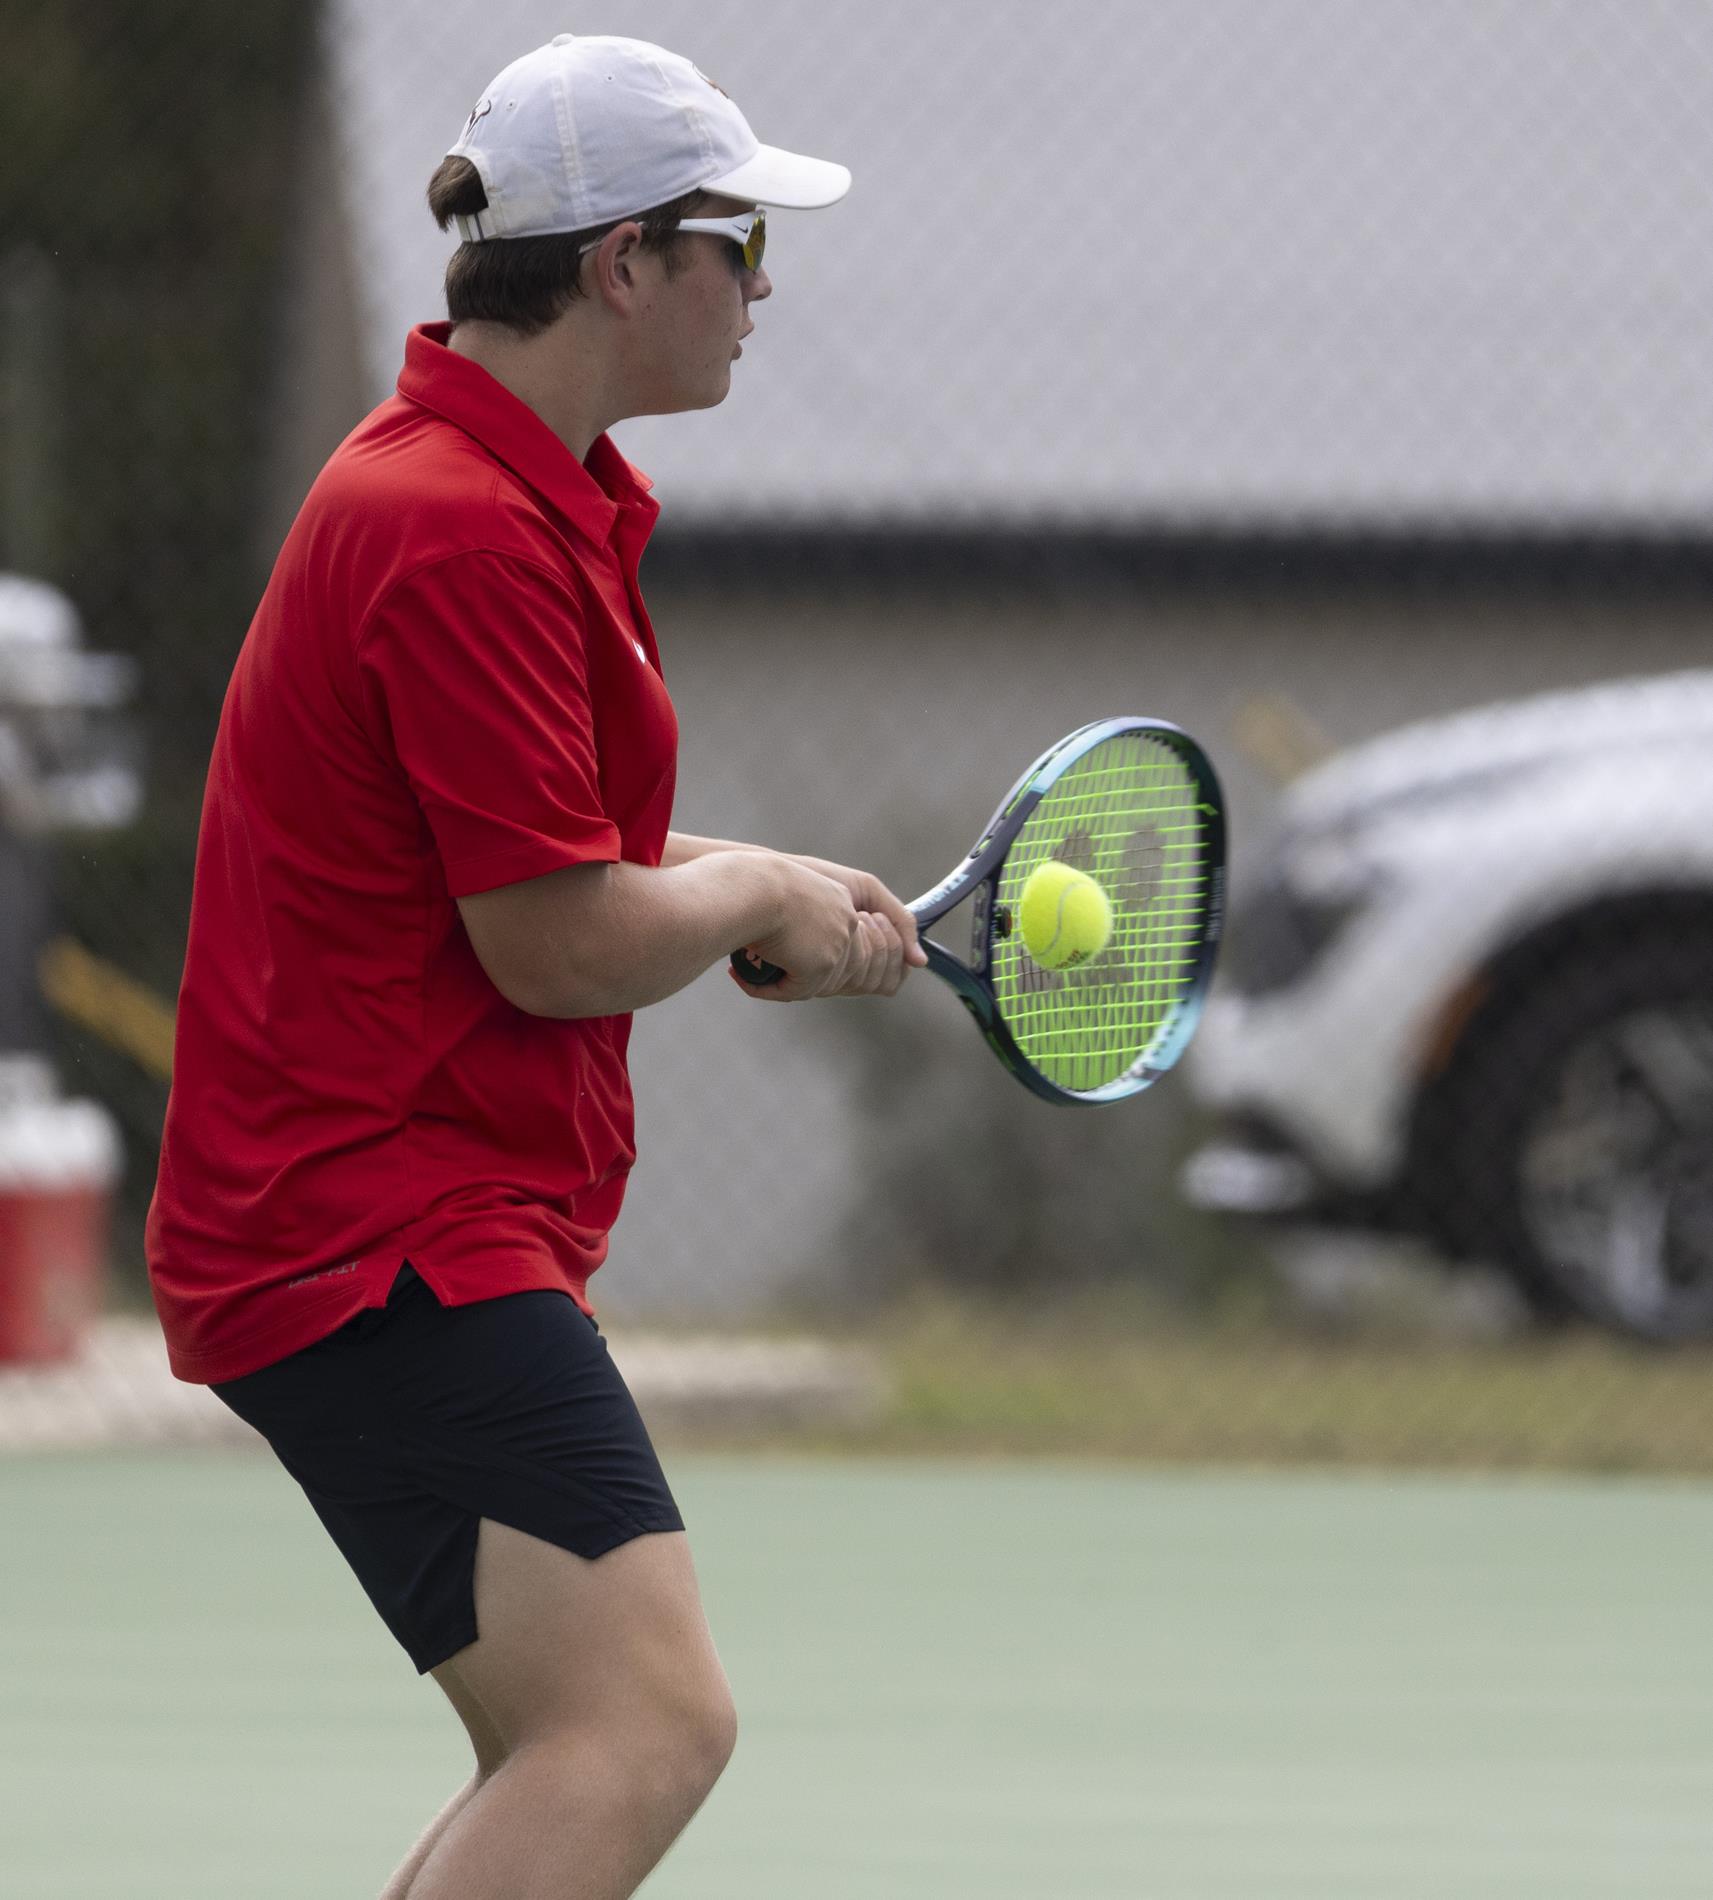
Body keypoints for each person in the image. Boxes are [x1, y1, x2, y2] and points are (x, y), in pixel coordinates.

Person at [144, 33, 922, 1900]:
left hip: (382, 1214)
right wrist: (740, 896)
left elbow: (533, 856)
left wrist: (765, 879)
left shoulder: (499, 494)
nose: (756, 288)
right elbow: (558, 940)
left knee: (563, 1745)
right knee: (641, 1726)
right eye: (735, 241)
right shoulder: (455, 528)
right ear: (619, 264)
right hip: (372, 1228)